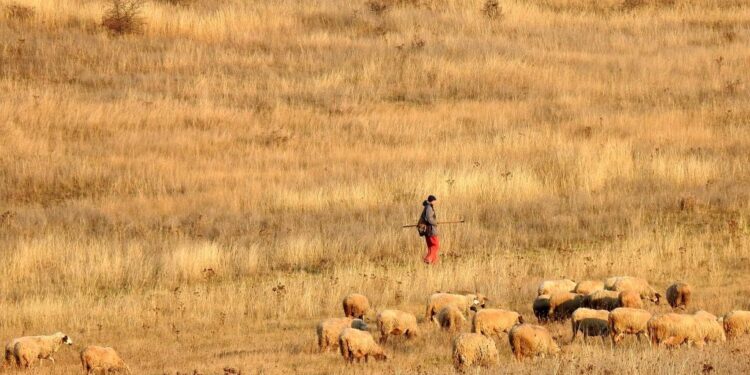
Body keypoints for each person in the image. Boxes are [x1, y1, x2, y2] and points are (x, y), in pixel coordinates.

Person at [420, 195, 439, 264]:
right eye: (435, 201)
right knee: (435, 245)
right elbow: (429, 218)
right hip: (430, 230)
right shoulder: (429, 208)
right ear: (432, 201)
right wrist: (435, 222)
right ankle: (428, 259)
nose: (435, 202)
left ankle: (433, 262)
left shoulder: (427, 207)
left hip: (428, 231)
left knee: (431, 247)